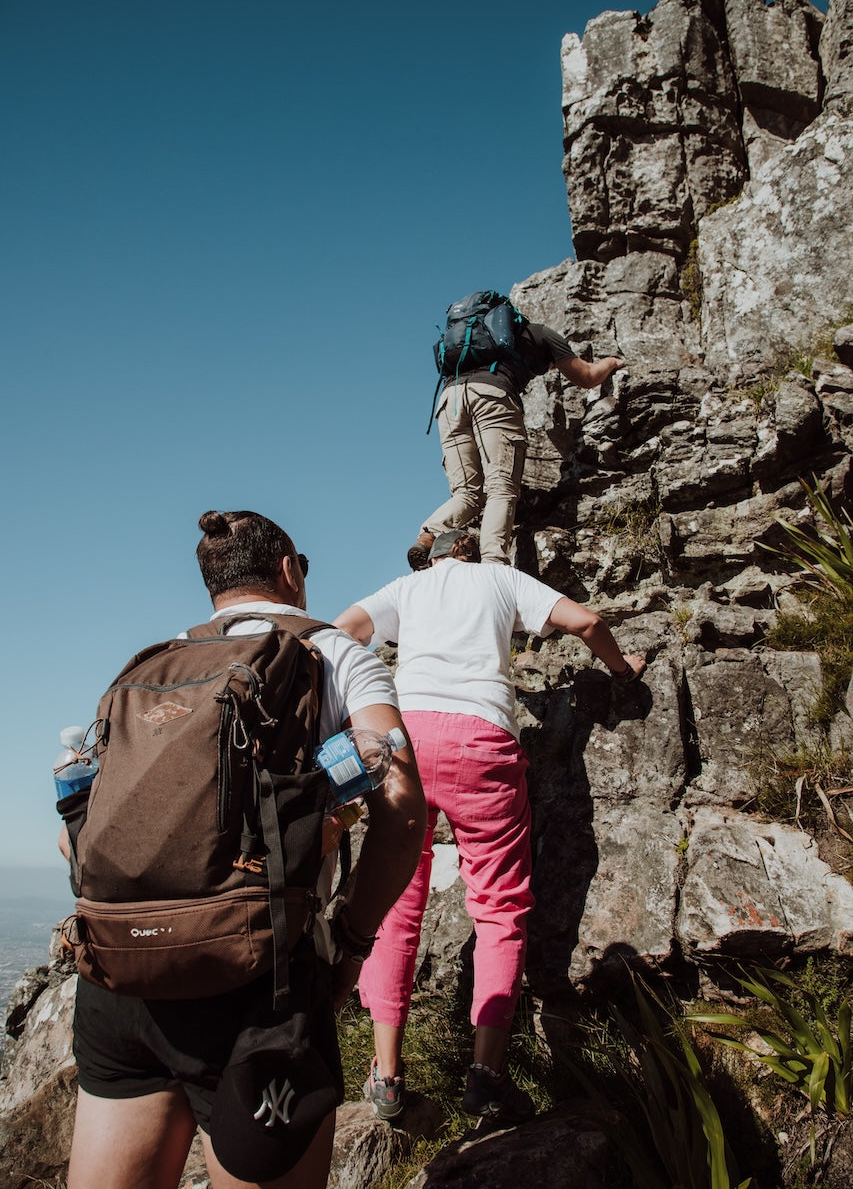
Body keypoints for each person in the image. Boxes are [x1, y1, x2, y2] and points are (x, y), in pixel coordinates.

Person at [62, 510, 427, 1189]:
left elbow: (74, 832)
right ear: (289, 571)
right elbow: (403, 812)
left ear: (212, 585)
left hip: (119, 981)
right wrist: (346, 943)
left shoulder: (147, 667)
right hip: (256, 981)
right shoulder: (337, 654)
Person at [334, 529, 646, 1123]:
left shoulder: (409, 586)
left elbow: (341, 631)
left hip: (406, 740)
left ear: (435, 555)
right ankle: (487, 1075)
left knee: (397, 902)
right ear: (470, 551)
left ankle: (386, 1075)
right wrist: (623, 668)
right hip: (481, 741)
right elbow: (586, 620)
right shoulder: (500, 579)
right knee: (499, 906)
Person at [409, 307, 625, 569]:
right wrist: (612, 363)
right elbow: (587, 376)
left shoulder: (471, 345)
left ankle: (428, 535)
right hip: (493, 396)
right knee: (501, 486)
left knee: (467, 493)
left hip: (449, 402)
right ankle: (493, 564)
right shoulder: (542, 334)